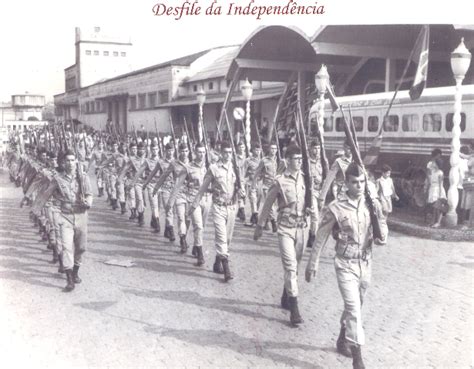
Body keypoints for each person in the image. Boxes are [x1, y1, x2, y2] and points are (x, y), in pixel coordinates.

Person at [305, 162, 387, 369]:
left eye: (362, 182)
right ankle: (357, 359)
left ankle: (343, 337)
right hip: (345, 263)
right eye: (354, 182)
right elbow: (321, 237)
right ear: (346, 183)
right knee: (353, 308)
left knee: (357, 305)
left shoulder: (370, 204)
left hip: (365, 262)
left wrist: (380, 221)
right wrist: (312, 263)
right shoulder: (336, 207)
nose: (359, 186)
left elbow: (383, 235)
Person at [254, 144, 310, 326]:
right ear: (287, 161)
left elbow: (312, 202)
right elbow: (268, 203)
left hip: (302, 228)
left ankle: (286, 294)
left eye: (301, 159)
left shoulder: (305, 178)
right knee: (291, 267)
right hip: (285, 228)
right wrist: (260, 225)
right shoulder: (279, 181)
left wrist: (315, 223)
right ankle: (294, 309)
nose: (299, 162)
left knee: (296, 266)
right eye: (296, 159)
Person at [188, 141, 245, 282]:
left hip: (232, 207)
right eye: (225, 152)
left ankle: (217, 262)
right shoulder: (213, 169)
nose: (228, 155)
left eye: (230, 152)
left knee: (227, 239)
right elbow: (202, 189)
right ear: (220, 153)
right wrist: (194, 205)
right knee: (221, 237)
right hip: (218, 207)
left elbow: (238, 186)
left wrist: (241, 191)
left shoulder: (235, 168)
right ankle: (226, 269)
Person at [51, 149, 93, 292]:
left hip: (81, 216)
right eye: (67, 160)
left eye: (72, 160)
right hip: (66, 216)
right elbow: (46, 193)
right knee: (67, 247)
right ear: (63, 163)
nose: (70, 163)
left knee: (81, 248)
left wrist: (88, 202)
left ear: (76, 161)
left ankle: (75, 271)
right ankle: (69, 279)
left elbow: (89, 194)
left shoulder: (83, 178)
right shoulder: (58, 179)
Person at [319, 139, 353, 205]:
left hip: (354, 195)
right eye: (349, 148)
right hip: (342, 196)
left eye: (352, 149)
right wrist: (322, 198)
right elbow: (328, 180)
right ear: (344, 147)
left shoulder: (356, 161)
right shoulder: (338, 162)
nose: (351, 151)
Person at [306, 138, 323, 248]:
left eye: (318, 148)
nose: (317, 151)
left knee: (315, 216)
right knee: (315, 215)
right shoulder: (306, 162)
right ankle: (312, 236)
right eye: (315, 148)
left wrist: (320, 179)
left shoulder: (321, 161)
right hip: (310, 192)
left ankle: (308, 233)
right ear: (310, 149)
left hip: (319, 191)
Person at [425, 157, 446, 228]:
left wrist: (440, 194)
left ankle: (438, 222)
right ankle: (433, 221)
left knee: (438, 207)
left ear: (437, 164)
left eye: (434, 162)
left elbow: (440, 184)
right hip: (432, 189)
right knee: (434, 207)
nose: (433, 163)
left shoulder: (440, 173)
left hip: (437, 190)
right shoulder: (433, 172)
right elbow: (429, 176)